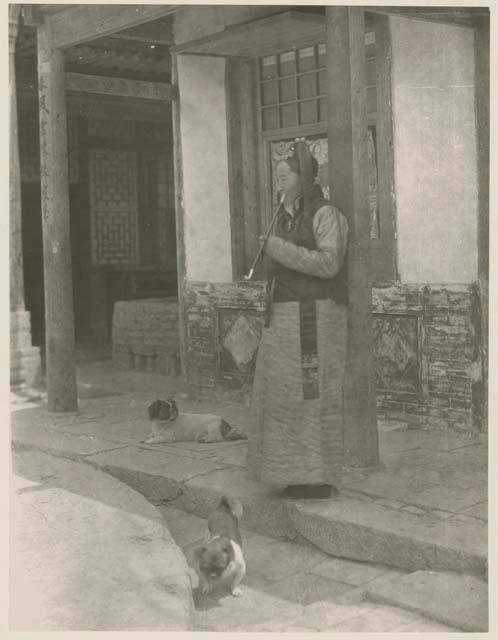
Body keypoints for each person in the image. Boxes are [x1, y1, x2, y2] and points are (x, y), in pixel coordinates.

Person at [246, 139, 349, 499]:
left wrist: (280, 249)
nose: (279, 180)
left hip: (315, 320)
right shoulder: (284, 216)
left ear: (303, 178)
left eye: (285, 174)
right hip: (285, 319)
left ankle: (317, 477)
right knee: (284, 398)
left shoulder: (325, 214)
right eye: (277, 174)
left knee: (312, 396)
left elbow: (329, 263)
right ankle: (292, 473)